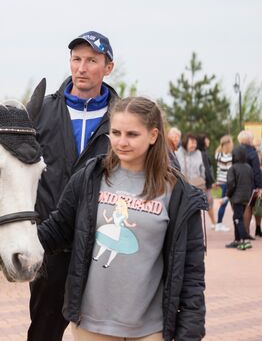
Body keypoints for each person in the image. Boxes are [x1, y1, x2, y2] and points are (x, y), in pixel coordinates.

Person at [35, 97, 206, 341]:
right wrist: (6, 246)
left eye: (132, 134)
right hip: (91, 326)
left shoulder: (178, 194)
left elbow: (191, 274)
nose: (121, 142)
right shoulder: (90, 178)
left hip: (150, 329)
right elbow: (57, 229)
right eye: (115, 132)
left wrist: (190, 333)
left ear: (153, 135)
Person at [27, 31, 118, 341]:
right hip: (51, 244)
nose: (82, 67)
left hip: (105, 245)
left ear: (108, 67)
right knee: (43, 331)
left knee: (102, 332)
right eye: (76, 59)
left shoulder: (123, 117)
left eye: (92, 60)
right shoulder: (41, 111)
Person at [225, 145, 254, 250]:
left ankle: (244, 240)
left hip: (236, 197)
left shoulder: (233, 168)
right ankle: (237, 240)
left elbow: (231, 184)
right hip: (246, 197)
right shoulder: (248, 167)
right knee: (236, 217)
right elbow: (252, 182)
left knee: (238, 218)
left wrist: (228, 195)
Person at [237, 130, 262, 237]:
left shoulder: (236, 151)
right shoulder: (253, 153)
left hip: (239, 183)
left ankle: (243, 232)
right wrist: (260, 186)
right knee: (251, 207)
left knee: (243, 207)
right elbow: (256, 171)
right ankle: (248, 232)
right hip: (251, 184)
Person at [197, 134, 217, 228]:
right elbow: (207, 169)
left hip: (202, 181)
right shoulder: (203, 153)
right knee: (209, 202)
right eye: (207, 139)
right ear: (203, 141)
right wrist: (212, 182)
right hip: (205, 182)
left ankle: (214, 223)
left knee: (207, 202)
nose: (208, 141)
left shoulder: (199, 152)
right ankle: (214, 223)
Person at [214, 135, 233, 232]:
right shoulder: (229, 157)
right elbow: (230, 170)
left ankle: (219, 223)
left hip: (220, 181)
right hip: (227, 182)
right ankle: (219, 223)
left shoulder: (218, 154)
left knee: (223, 203)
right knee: (224, 203)